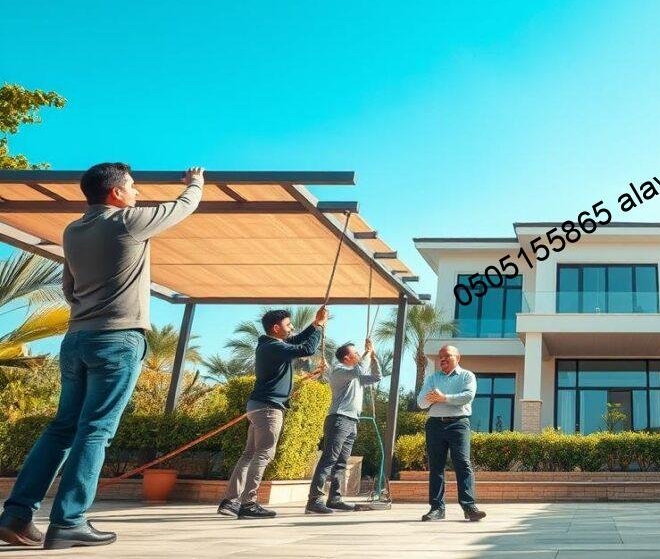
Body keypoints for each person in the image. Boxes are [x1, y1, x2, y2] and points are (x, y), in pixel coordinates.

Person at [0, 164, 204, 550]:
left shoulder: (73, 231)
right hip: (117, 340)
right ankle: (69, 522)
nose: (138, 192)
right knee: (95, 431)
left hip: (77, 339)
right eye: (132, 186)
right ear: (115, 194)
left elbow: (69, 286)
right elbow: (182, 207)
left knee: (62, 429)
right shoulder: (126, 222)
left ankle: (15, 516)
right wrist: (197, 182)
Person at [217, 307, 325, 519]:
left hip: (259, 406)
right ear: (276, 328)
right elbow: (307, 349)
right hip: (268, 408)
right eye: (288, 324)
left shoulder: (270, 345)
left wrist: (314, 324)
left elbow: (297, 340)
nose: (292, 327)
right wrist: (319, 327)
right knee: (263, 454)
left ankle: (230, 502)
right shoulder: (273, 347)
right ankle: (248, 504)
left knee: (249, 454)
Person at [305, 338, 383, 514]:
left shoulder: (356, 377)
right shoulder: (340, 371)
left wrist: (374, 357)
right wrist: (368, 352)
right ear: (347, 357)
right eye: (355, 352)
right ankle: (314, 500)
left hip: (352, 421)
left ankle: (335, 498)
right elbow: (361, 368)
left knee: (341, 462)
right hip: (339, 419)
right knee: (329, 459)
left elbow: (377, 377)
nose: (358, 354)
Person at [416, 345, 486, 522]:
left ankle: (469, 507)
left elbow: (467, 396)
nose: (443, 360)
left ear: (458, 357)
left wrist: (443, 398)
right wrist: (433, 398)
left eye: (447, 356)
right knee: (436, 467)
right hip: (434, 425)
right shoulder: (432, 378)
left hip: (458, 424)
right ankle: (437, 508)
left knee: (463, 463)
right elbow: (421, 403)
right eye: (440, 357)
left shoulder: (466, 376)